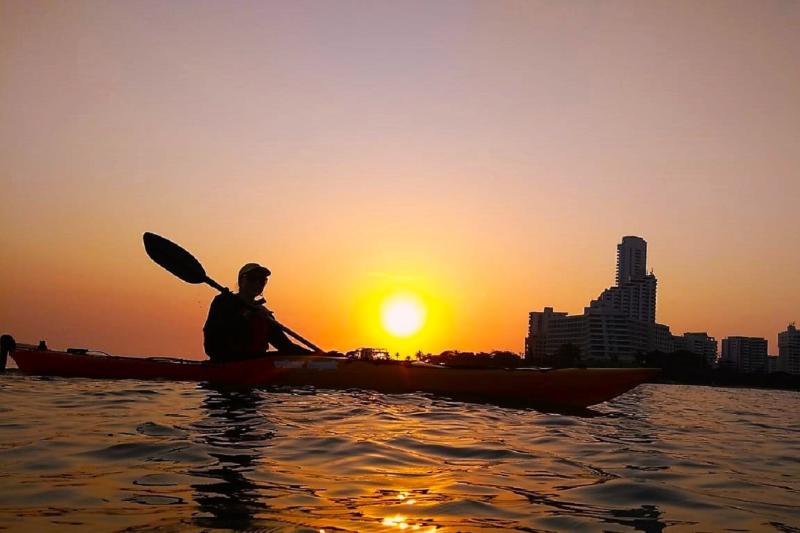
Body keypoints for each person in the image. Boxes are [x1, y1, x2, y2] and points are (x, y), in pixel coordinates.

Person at [203, 263, 312, 362]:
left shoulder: (263, 313)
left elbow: (285, 346)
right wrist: (246, 315)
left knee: (287, 355)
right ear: (241, 281)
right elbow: (214, 337)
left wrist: (317, 355)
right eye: (252, 278)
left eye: (262, 280)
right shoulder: (223, 301)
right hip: (226, 360)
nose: (257, 283)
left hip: (255, 360)